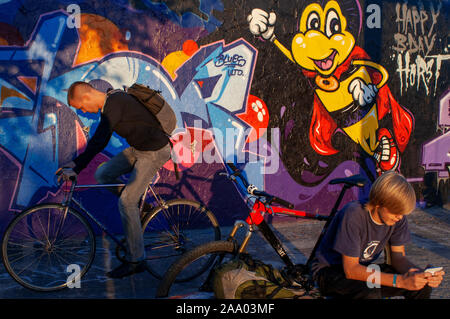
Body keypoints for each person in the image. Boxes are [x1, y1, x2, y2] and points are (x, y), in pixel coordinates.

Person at [56, 81, 172, 278]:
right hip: (138, 150)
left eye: (81, 107)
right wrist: (76, 164)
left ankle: (136, 260)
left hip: (154, 152)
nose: (84, 111)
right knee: (102, 174)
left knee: (126, 202)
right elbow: (99, 140)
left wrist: (77, 165)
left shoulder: (115, 103)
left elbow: (100, 140)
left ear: (86, 97)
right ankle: (141, 208)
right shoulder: (111, 104)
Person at [312, 171, 445, 299]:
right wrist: (400, 281)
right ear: (378, 203)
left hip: (363, 268)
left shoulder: (398, 218)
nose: (399, 217)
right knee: (370, 290)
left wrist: (422, 275)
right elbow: (351, 269)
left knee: (421, 287)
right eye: (395, 212)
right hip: (330, 272)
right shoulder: (354, 215)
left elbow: (398, 259)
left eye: (402, 213)